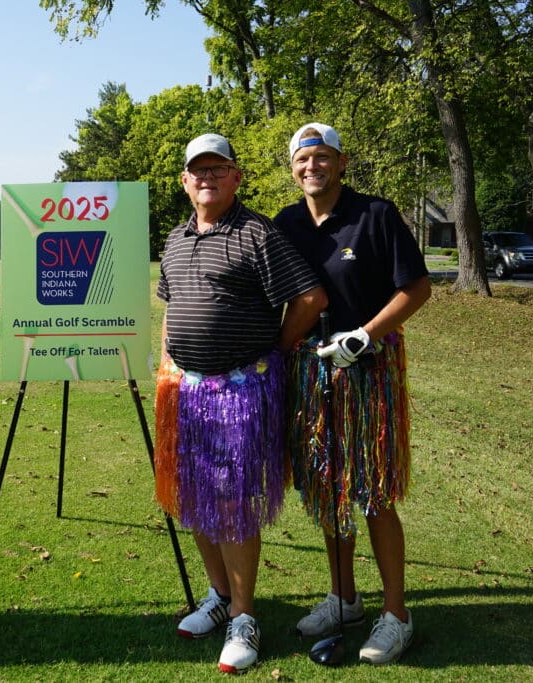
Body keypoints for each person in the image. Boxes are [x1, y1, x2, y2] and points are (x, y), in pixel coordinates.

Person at [154, 134, 327, 673]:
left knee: (231, 504)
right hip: (187, 390)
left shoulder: (257, 233)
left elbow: (310, 298)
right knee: (194, 500)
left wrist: (276, 346)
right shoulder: (176, 239)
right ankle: (219, 594)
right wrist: (167, 362)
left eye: (217, 169)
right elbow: (171, 307)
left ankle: (244, 616)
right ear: (184, 181)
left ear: (236, 177)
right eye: (197, 171)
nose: (206, 178)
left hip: (240, 392)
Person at [274, 123, 431, 665]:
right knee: (328, 489)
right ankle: (344, 599)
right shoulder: (287, 223)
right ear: (293, 168)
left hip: (368, 372)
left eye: (322, 157)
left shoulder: (376, 214)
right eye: (302, 159)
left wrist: (366, 334)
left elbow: (417, 287)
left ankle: (396, 615)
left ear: (341, 162)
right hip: (311, 374)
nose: (311, 167)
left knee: (374, 492)